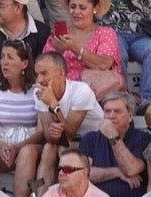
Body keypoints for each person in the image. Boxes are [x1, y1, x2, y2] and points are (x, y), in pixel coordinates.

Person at [80, 91, 151, 197]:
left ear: (130, 116)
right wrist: (117, 172)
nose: (111, 116)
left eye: (117, 111)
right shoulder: (90, 139)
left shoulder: (143, 138)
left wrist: (113, 137)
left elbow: (131, 169)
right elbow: (83, 175)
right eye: (107, 111)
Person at [0, 40, 41, 197]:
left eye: (10, 57)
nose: (4, 62)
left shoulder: (36, 90)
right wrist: (1, 146)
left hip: (29, 144)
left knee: (27, 152)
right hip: (2, 144)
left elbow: (42, 131)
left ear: (24, 63)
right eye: (2, 57)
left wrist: (18, 147)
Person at [33, 52, 104, 183]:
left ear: (61, 73)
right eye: (37, 74)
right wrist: (53, 132)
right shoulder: (39, 92)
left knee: (62, 148)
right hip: (69, 141)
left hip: (96, 140)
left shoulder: (81, 91)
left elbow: (70, 133)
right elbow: (49, 136)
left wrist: (53, 104)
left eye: (44, 73)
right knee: (49, 147)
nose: (39, 80)